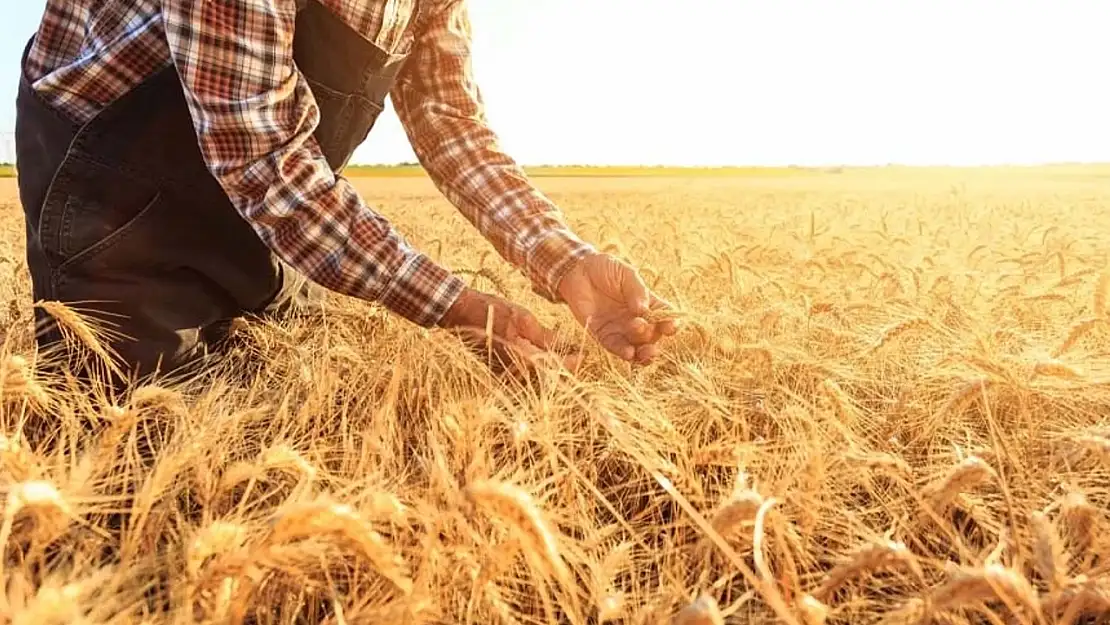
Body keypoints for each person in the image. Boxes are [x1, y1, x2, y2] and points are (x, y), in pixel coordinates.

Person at [15, 0, 678, 384]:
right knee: (156, 471)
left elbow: (449, 118)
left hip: (264, 224)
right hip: (113, 211)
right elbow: (263, 156)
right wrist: (467, 309)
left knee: (307, 396)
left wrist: (564, 260)